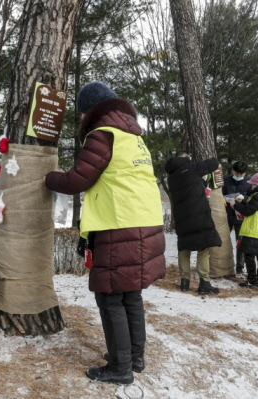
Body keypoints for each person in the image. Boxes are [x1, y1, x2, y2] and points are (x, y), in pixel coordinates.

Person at [45, 81, 165, 385]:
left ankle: (120, 368)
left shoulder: (103, 135)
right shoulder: (134, 136)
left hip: (119, 225)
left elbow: (77, 180)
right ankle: (134, 357)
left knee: (110, 296)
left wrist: (47, 178)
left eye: (82, 111)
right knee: (130, 296)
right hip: (144, 222)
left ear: (91, 109)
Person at [165, 152, 222, 294]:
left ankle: (184, 282)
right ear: (184, 158)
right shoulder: (192, 168)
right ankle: (204, 283)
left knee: (184, 249)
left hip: (181, 216)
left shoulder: (172, 177)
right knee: (204, 248)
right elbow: (213, 163)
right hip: (198, 214)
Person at [222, 161, 251, 273]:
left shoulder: (249, 182)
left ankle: (240, 267)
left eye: (241, 174)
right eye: (237, 173)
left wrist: (243, 198)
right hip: (227, 214)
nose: (239, 176)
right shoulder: (226, 180)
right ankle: (224, 264)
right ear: (233, 171)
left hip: (241, 215)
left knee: (241, 242)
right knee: (223, 240)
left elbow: (252, 197)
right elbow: (220, 195)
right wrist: (225, 200)